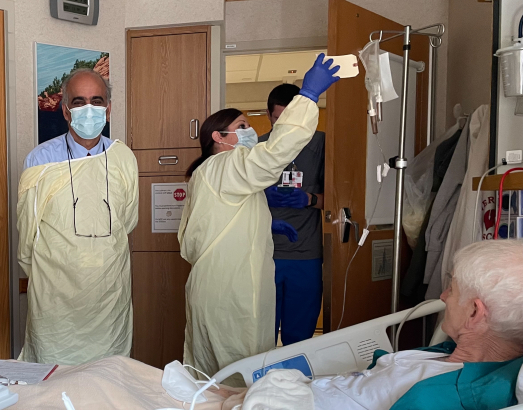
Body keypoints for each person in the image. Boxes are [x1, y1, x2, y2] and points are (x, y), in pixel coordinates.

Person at [177, 54, 340, 379]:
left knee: (214, 376)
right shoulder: (224, 165)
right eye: (242, 127)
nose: (251, 132)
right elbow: (273, 155)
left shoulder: (214, 173)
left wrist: (265, 224)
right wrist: (308, 96)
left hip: (221, 288)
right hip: (229, 295)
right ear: (219, 138)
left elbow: (224, 221)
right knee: (237, 375)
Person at [237, 239, 523, 410]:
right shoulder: (452, 354)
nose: (443, 296)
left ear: (475, 313)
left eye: (453, 289)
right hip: (300, 393)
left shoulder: (439, 396)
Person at [17, 68, 139, 365]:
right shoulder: (41, 159)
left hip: (109, 293)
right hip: (55, 297)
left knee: (107, 377)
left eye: (97, 101)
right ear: (65, 111)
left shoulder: (124, 158)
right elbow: (27, 232)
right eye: (79, 101)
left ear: (108, 109)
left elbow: (127, 220)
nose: (89, 109)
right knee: (53, 380)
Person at [261, 83, 326, 346]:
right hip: (264, 253)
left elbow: (343, 201)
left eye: (291, 118)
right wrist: (260, 198)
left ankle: (295, 384)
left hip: (305, 255)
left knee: (298, 338)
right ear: (269, 116)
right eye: (279, 119)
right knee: (260, 335)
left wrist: (310, 199)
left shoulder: (322, 145)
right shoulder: (258, 148)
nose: (285, 126)